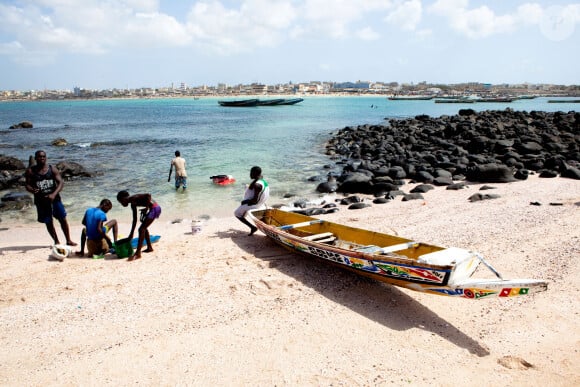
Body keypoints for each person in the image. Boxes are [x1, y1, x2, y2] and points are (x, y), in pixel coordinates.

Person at [25, 150, 77, 246]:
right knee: (48, 221)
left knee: (62, 218)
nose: (42, 158)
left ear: (46, 157)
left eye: (43, 156)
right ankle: (56, 241)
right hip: (41, 201)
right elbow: (27, 185)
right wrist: (32, 190)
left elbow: (61, 182)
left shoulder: (52, 169)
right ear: (36, 158)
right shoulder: (31, 171)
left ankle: (68, 240)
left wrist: (53, 194)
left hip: (55, 199)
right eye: (39, 157)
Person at [116, 190, 161, 261]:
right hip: (153, 208)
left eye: (121, 201)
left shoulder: (133, 197)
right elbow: (134, 220)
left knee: (141, 229)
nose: (121, 204)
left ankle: (138, 253)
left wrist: (146, 208)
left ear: (124, 198)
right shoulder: (132, 204)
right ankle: (149, 247)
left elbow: (148, 195)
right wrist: (131, 234)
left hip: (155, 208)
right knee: (143, 227)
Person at [234, 166, 270, 236]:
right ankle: (244, 213)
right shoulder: (261, 179)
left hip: (255, 205)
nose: (250, 174)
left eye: (251, 173)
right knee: (248, 186)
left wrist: (245, 202)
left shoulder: (257, 185)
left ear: (254, 173)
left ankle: (253, 227)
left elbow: (255, 200)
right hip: (261, 203)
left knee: (237, 213)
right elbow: (254, 184)